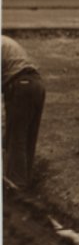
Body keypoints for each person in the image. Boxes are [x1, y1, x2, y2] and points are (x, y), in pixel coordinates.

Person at [2, 35, 46, 187]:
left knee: (16, 140)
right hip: (36, 85)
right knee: (27, 138)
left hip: (21, 86)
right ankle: (25, 185)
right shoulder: (6, 41)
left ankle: (16, 187)